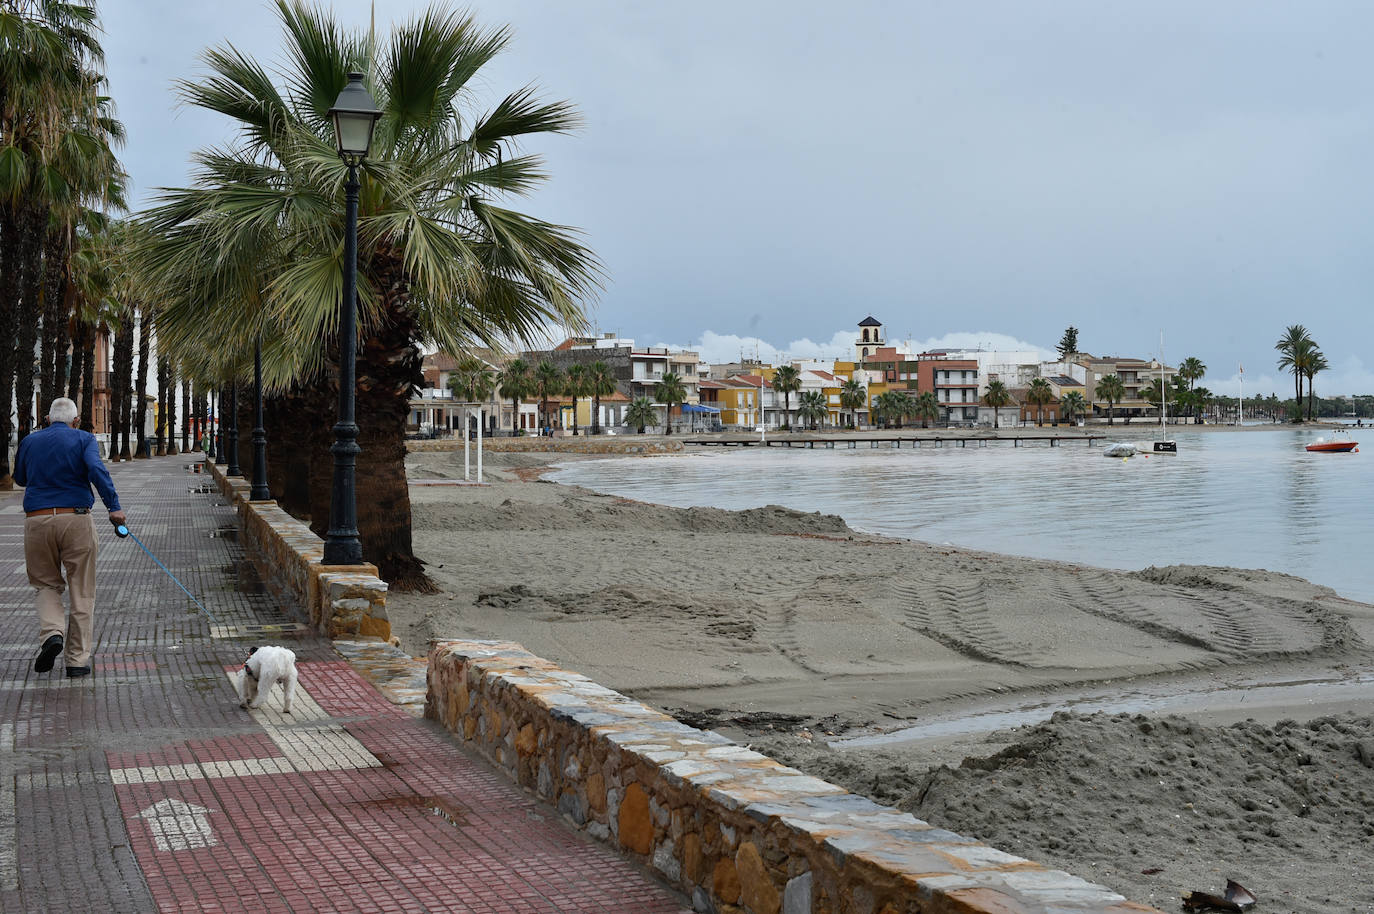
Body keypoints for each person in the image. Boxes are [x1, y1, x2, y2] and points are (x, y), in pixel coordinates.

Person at [13, 398, 126, 678]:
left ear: (48, 419)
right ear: (75, 421)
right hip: (76, 518)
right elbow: (97, 470)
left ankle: (52, 634)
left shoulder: (29, 441)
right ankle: (76, 660)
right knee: (82, 590)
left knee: (45, 584)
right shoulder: (84, 439)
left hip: (37, 519)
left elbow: (21, 479)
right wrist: (114, 507)